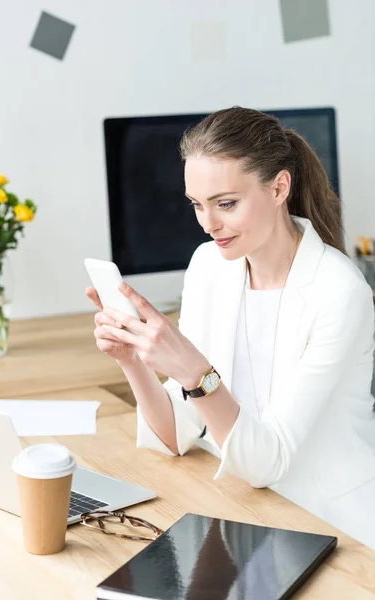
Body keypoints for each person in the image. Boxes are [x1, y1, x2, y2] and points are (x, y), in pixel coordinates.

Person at [86, 106, 375, 550]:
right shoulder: (209, 266)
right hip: (246, 510)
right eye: (197, 205)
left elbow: (268, 460)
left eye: (226, 204)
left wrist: (195, 373)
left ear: (279, 187)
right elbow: (177, 437)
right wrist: (134, 360)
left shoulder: (339, 291)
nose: (208, 223)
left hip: (332, 523)